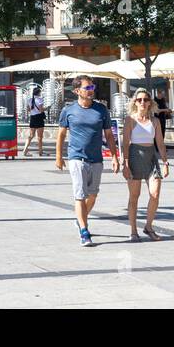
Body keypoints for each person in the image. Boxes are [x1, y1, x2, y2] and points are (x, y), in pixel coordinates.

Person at [55, 76, 119, 247]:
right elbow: (61, 135)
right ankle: (84, 231)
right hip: (77, 157)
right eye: (88, 87)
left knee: (93, 194)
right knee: (80, 195)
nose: (91, 90)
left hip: (97, 159)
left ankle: (80, 218)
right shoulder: (68, 111)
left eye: (92, 86)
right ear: (77, 91)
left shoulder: (101, 110)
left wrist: (114, 156)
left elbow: (109, 135)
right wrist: (59, 157)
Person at [121, 88, 170, 241]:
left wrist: (165, 162)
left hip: (151, 158)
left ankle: (148, 226)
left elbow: (160, 144)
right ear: (135, 102)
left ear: (150, 103)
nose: (143, 102)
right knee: (134, 196)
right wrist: (125, 164)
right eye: (139, 99)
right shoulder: (130, 120)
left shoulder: (155, 121)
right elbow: (125, 144)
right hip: (135, 157)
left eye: (146, 99)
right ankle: (133, 231)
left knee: (154, 194)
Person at [23, 85, 47, 157]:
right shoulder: (40, 100)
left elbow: (28, 110)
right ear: (38, 93)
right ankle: (40, 151)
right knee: (40, 137)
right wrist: (46, 108)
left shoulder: (29, 100)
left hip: (32, 118)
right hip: (39, 118)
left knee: (31, 135)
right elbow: (41, 109)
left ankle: (25, 149)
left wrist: (33, 111)